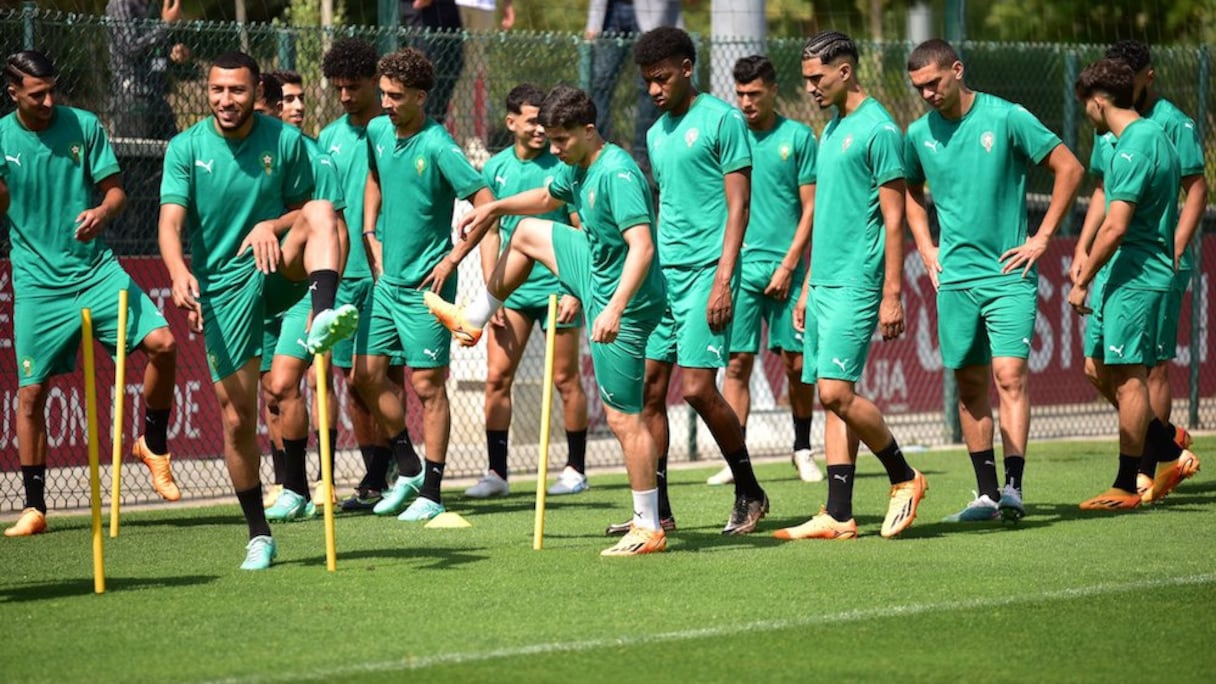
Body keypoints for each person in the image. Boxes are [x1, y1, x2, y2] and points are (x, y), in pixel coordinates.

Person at [428, 84, 670, 556]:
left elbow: (643, 247)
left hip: (627, 296)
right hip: (596, 267)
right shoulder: (575, 165)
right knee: (527, 232)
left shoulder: (617, 174)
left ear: (588, 130)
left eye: (562, 141)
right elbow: (544, 197)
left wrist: (614, 309)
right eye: (550, 139)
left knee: (624, 418)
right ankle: (474, 319)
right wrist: (495, 206)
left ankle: (649, 526)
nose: (554, 149)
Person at [158, 51, 357, 569]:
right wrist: (180, 274)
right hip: (222, 291)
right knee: (237, 419)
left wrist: (271, 224)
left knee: (316, 212)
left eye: (238, 91)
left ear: (255, 94)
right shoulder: (186, 148)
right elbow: (171, 222)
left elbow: (321, 208)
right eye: (218, 90)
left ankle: (323, 313)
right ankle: (259, 533)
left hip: (275, 270)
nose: (226, 100)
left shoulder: (286, 142)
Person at [903, 39, 1083, 524]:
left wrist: (1044, 237)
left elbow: (1069, 167)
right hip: (954, 279)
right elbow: (908, 192)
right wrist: (924, 245)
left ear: (957, 70)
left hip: (1009, 274)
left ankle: (1013, 488)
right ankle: (984, 494)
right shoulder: (918, 134)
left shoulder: (1006, 117)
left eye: (934, 83)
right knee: (969, 384)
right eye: (919, 88)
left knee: (1010, 376)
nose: (927, 94)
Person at [1, 50, 180, 537]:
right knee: (32, 394)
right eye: (37, 94)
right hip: (38, 283)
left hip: (97, 272)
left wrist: (103, 212)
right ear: (13, 92)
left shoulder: (83, 125)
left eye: (52, 89)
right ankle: (35, 507)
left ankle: (153, 445)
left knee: (164, 344)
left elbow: (117, 191)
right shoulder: (1, 136)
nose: (48, 100)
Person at [774, 31, 925, 541]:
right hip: (824, 284)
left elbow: (895, 217)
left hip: (860, 283)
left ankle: (904, 476)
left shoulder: (880, 130)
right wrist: (808, 284)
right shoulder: (832, 128)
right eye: (807, 79)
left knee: (838, 391)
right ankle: (839, 514)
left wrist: (892, 293)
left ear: (845, 71)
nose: (811, 88)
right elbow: (827, 215)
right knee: (831, 397)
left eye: (818, 78)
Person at [626, 27, 768, 537]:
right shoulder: (656, 132)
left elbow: (740, 205)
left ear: (687, 67)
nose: (654, 90)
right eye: (647, 82)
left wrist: (724, 280)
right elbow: (668, 206)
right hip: (667, 277)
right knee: (649, 391)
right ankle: (657, 511)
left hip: (710, 273)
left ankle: (749, 490)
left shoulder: (723, 120)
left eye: (661, 78)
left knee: (698, 389)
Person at [352, 47, 493, 523]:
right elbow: (374, 178)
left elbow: (486, 203)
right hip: (386, 284)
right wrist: (369, 232)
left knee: (428, 386)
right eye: (383, 93)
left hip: (426, 288)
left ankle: (432, 490)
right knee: (364, 377)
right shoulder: (375, 130)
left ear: (420, 96)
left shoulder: (439, 146)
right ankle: (407, 462)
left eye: (395, 96)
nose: (385, 103)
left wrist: (453, 257)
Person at [1074, 40, 1204, 504]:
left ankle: (1131, 481)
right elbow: (1106, 200)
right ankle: (1167, 445)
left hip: (1139, 270)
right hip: (1129, 269)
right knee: (1100, 366)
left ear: (1098, 102)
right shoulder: (1140, 138)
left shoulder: (1141, 141)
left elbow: (1117, 223)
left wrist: (1085, 275)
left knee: (1136, 375)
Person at [463, 84, 591, 499]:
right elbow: (489, 231)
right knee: (497, 377)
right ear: (511, 122)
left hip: (557, 287)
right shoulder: (495, 169)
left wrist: (575, 289)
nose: (541, 129)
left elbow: (578, 227)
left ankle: (575, 469)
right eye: (533, 120)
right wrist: (492, 288)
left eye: (545, 122)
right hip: (513, 293)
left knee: (565, 378)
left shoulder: (563, 162)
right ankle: (497, 473)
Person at [710, 54, 821, 488]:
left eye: (754, 93)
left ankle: (802, 448)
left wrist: (790, 264)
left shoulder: (797, 137)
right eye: (739, 94)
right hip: (737, 272)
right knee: (736, 364)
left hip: (786, 270)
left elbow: (811, 208)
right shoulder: (727, 136)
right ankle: (735, 459)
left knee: (796, 363)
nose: (746, 102)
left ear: (774, 90)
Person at [252, 73, 350, 522]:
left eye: (298, 99)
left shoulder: (314, 155)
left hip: (298, 287)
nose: (295, 107)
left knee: (294, 382)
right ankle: (286, 485)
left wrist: (322, 298)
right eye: (286, 99)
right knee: (271, 393)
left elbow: (334, 225)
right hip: (250, 285)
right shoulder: (228, 153)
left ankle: (313, 483)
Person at [319, 38, 410, 513]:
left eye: (352, 87)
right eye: (337, 88)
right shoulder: (329, 137)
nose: (344, 96)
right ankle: (378, 472)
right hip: (341, 273)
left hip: (383, 271)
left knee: (385, 376)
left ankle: (393, 472)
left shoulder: (391, 130)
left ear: (376, 82)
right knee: (351, 381)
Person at [585, 0, 682, 169]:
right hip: (611, 11)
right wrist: (593, 22)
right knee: (600, 83)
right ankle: (601, 150)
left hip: (651, 11)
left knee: (648, 85)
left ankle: (642, 155)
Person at [106, 0, 191, 140]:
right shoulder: (121, 4)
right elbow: (130, 47)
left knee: (172, 154)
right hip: (132, 98)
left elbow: (154, 53)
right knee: (137, 156)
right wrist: (165, 25)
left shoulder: (153, 6)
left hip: (156, 97)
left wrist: (172, 54)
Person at [400, 0, 464, 124]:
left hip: (447, 9)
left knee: (453, 65)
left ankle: (435, 124)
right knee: (428, 69)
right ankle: (420, 128)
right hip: (426, 14)